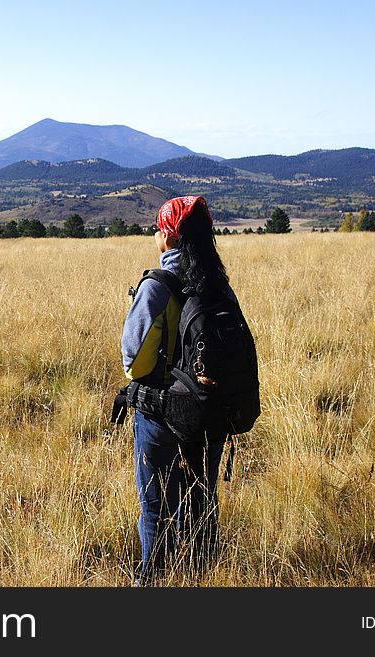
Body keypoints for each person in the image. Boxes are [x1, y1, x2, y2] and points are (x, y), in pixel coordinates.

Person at [121, 195, 238, 584]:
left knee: (156, 508)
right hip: (209, 417)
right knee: (202, 500)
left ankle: (151, 584)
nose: (155, 234)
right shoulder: (219, 287)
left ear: (169, 237)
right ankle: (201, 577)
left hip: (159, 417)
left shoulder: (158, 287)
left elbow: (133, 363)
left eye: (158, 228)